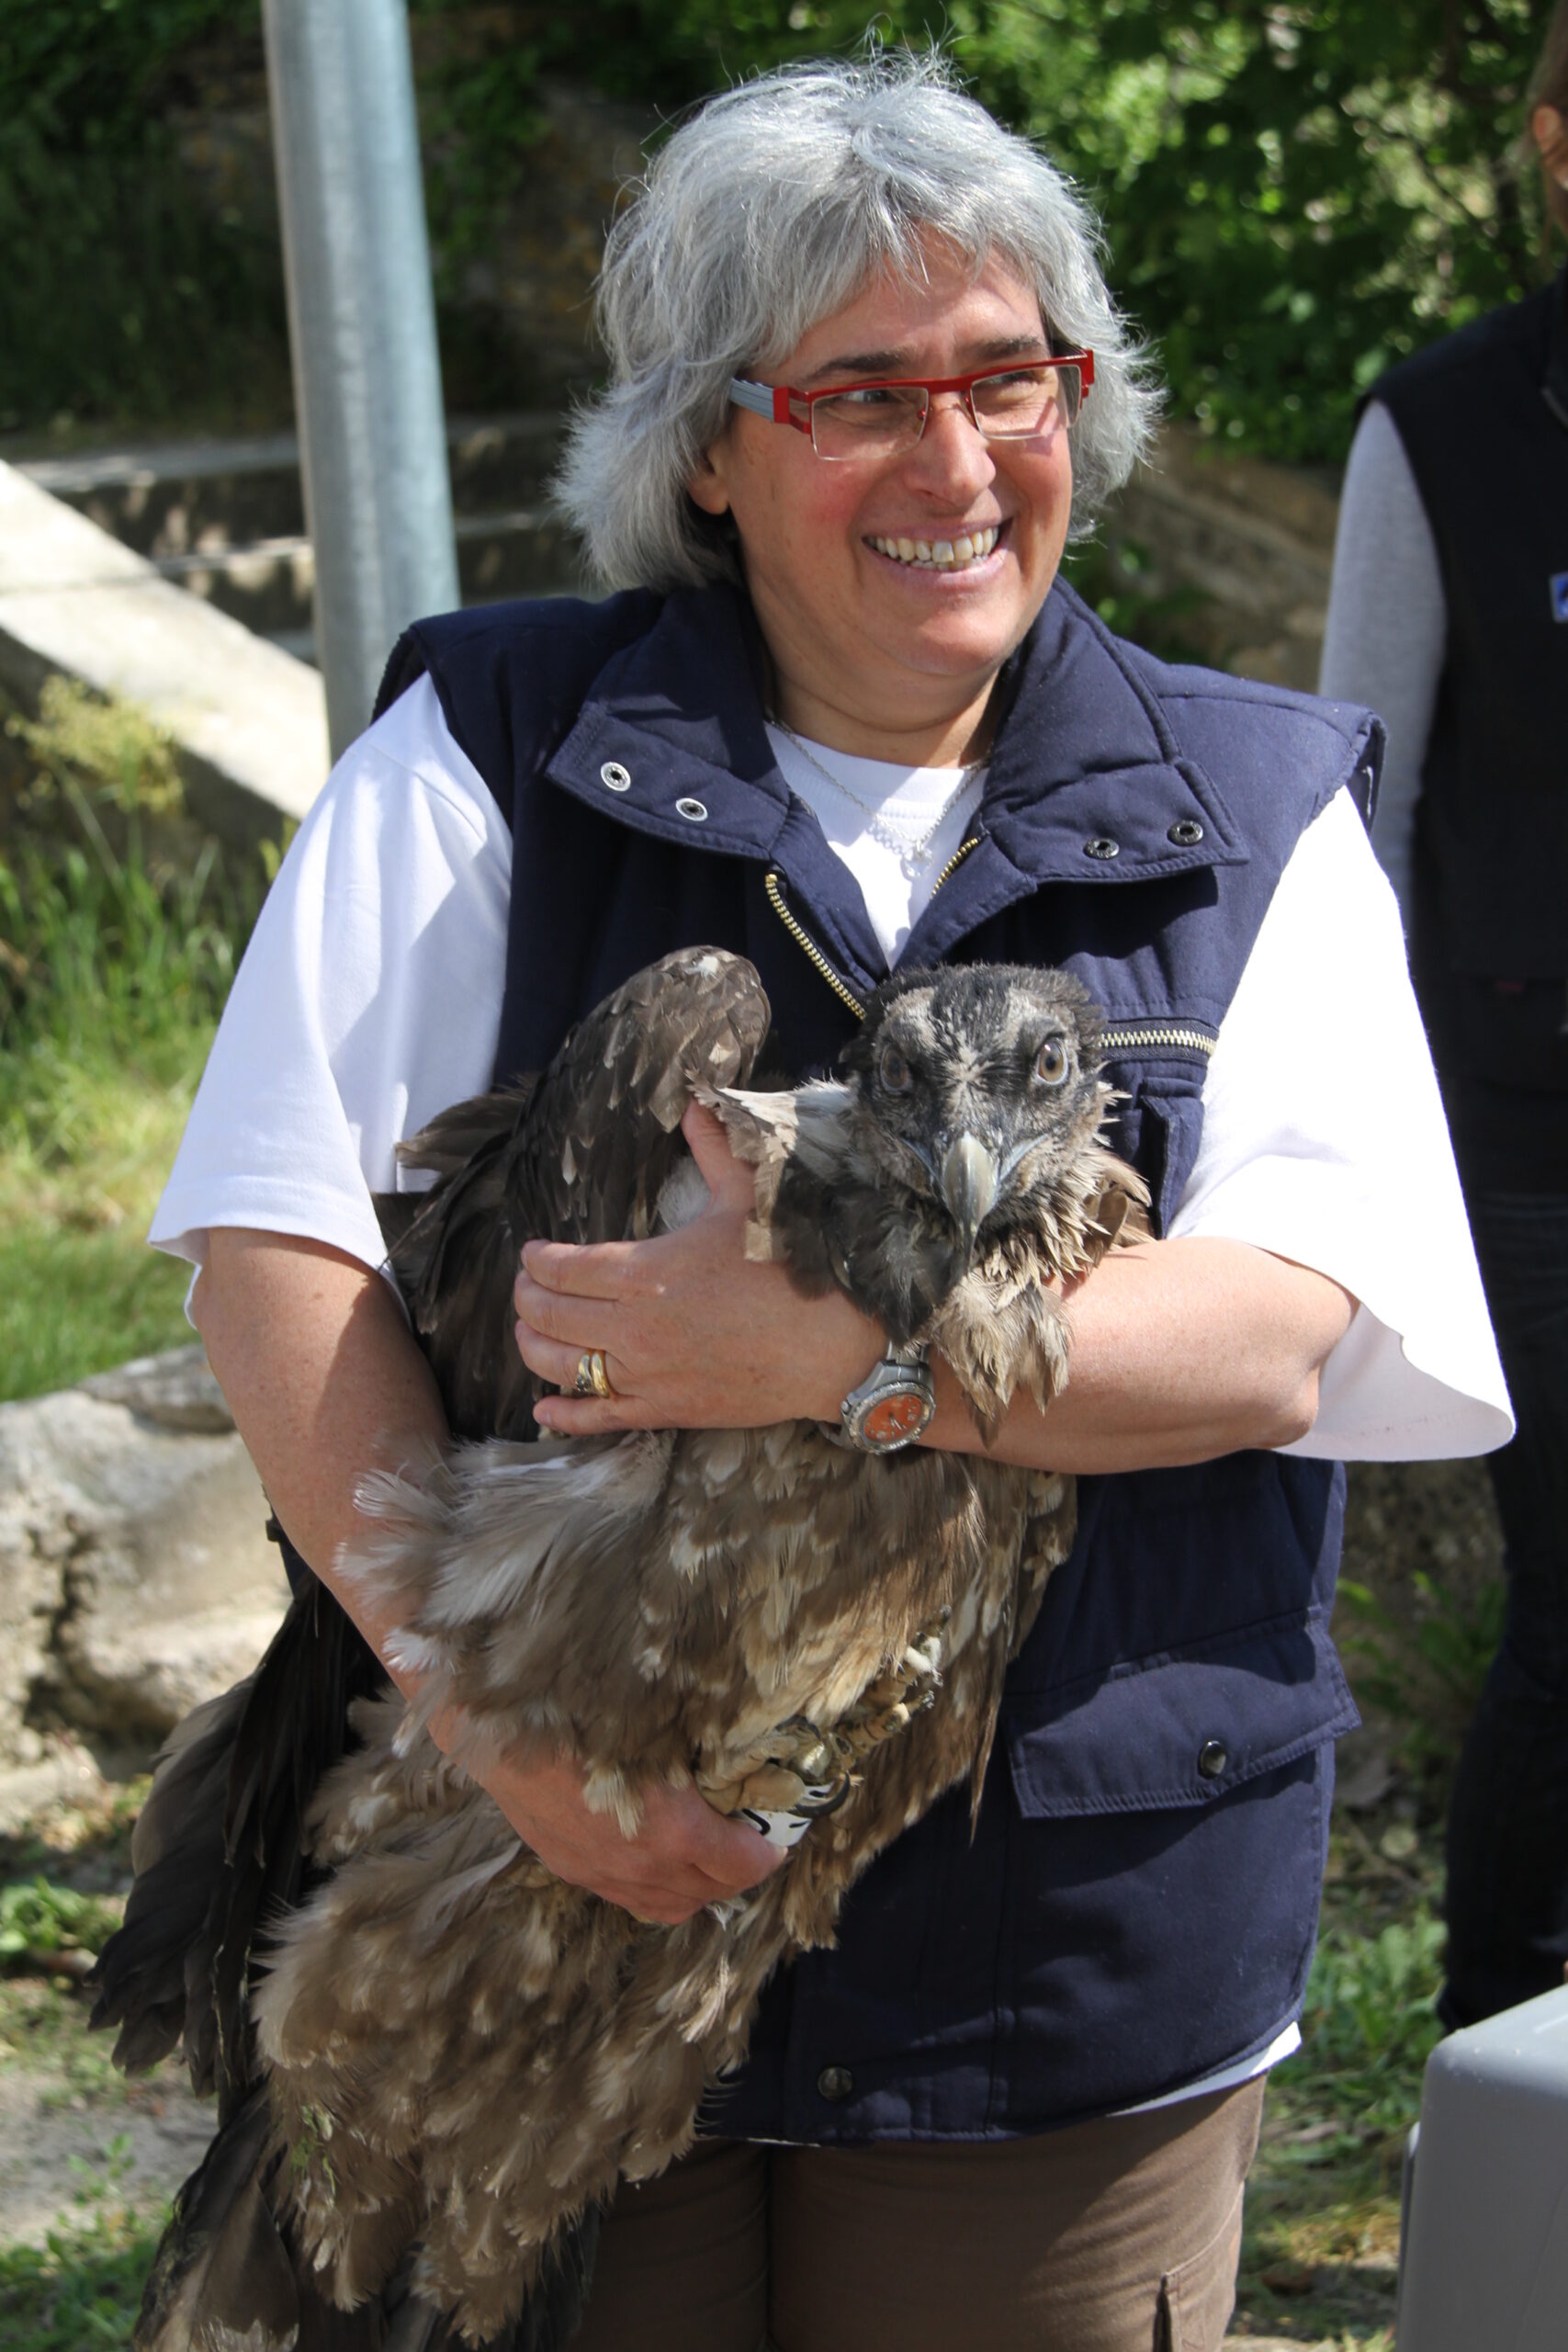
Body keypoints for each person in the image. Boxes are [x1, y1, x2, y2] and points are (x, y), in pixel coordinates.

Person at [152, 52, 1509, 2352]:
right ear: (707, 445)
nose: (956, 459)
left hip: (1068, 1951)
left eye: (1010, 375)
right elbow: (277, 1249)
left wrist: (845, 1358)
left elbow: (1292, 1322)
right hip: (543, 1906)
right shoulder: (492, 746)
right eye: (859, 394)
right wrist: (507, 1742)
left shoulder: (1256, 801)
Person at [1319, 5, 1567, 2033]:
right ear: (1556, 150)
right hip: (1530, 1114)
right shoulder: (1446, 427)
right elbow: (1355, 826)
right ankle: (1504, 2065)